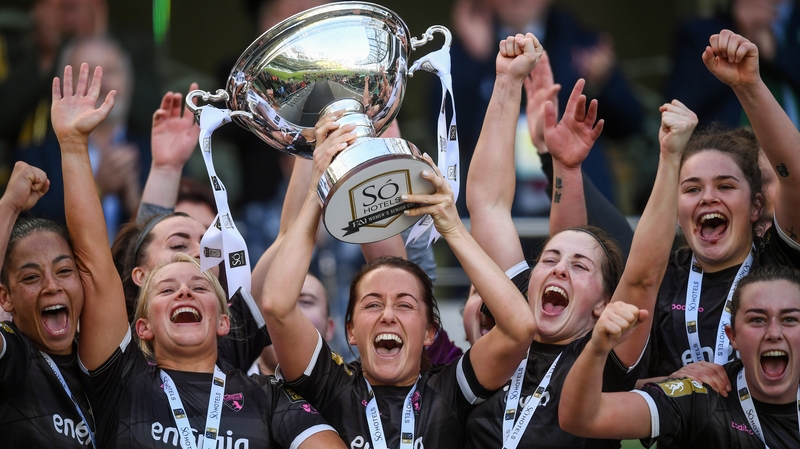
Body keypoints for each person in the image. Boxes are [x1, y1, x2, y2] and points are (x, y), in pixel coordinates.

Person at [53, 62, 345, 449]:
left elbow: (289, 238)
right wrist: (74, 146)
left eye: (204, 251)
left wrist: (310, 152)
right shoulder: (121, 371)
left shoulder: (263, 394)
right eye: (177, 251)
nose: (195, 260)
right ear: (141, 325)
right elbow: (93, 262)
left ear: (225, 321)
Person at [260, 44, 539, 447]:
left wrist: (451, 226)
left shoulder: (450, 389)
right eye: (372, 304)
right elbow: (277, 306)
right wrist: (320, 186)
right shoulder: (333, 384)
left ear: (430, 332)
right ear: (351, 332)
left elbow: (519, 327)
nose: (388, 314)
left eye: (405, 305)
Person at [463, 33, 693, 448]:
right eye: (549, 259)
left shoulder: (605, 350)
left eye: (580, 266)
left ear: (605, 305)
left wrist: (671, 159)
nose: (558, 269)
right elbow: (488, 203)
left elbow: (642, 277)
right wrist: (506, 81)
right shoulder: (513, 309)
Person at [645, 30, 800, 386]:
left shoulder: (778, 263)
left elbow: (795, 178)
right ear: (677, 209)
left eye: (726, 186)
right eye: (692, 188)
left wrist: (750, 86)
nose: (708, 197)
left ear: (755, 205)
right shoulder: (660, 279)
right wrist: (676, 386)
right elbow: (611, 387)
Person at [560, 264, 800, 447]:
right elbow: (581, 418)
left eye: (790, 319)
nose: (774, 333)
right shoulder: (701, 397)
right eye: (757, 320)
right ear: (732, 336)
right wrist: (597, 349)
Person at [0, 161, 97, 447]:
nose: (52, 286)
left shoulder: (100, 358)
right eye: (31, 277)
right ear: (5, 297)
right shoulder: (13, 358)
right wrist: (9, 206)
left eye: (64, 271)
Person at [667, 0, 800, 129]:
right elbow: (682, 107)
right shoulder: (699, 33)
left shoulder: (793, 24)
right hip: (730, 144)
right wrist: (739, 40)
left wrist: (775, 54)